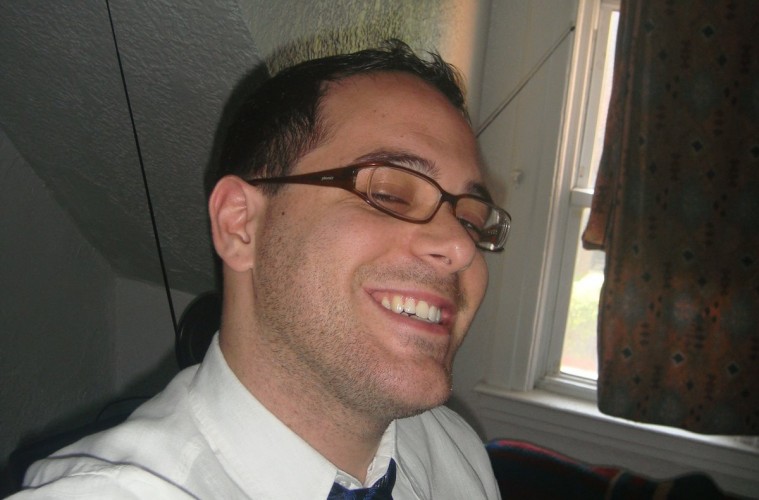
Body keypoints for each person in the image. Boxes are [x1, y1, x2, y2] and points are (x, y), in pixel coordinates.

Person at [12, 40, 510, 499]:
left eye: (471, 220)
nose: (460, 247)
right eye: (390, 193)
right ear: (241, 225)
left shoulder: (456, 451)